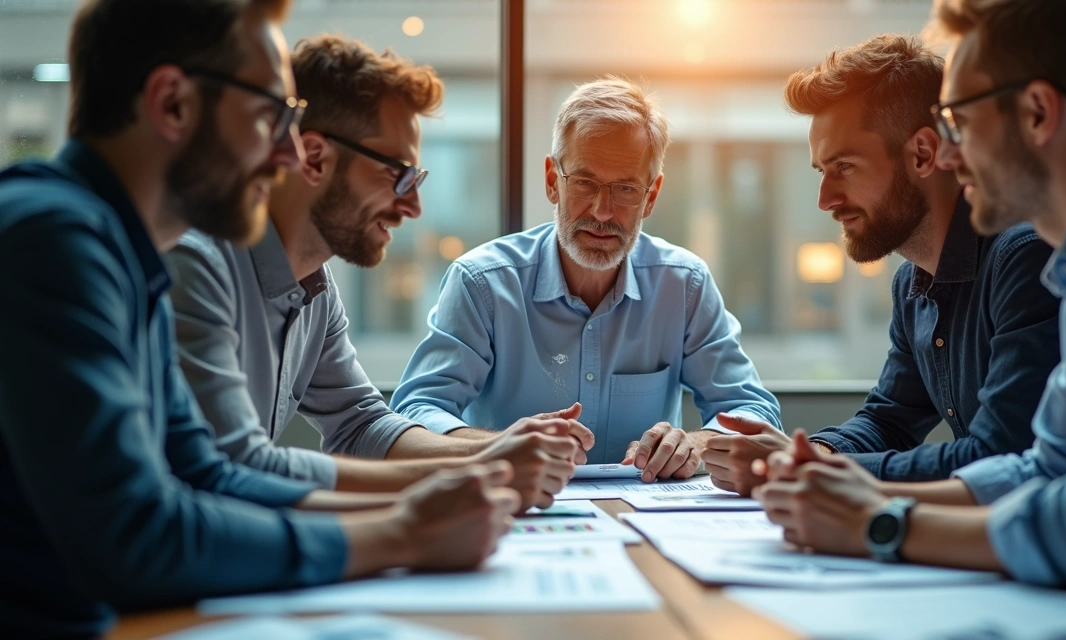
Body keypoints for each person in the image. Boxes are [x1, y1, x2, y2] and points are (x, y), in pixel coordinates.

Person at [0, 2, 517, 636]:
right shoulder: (52, 239)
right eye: (272, 116)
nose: (285, 156)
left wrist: (427, 505)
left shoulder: (127, 256)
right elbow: (138, 535)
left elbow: (207, 473)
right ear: (172, 104)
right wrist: (403, 533)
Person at [755, 0, 1066, 607]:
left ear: (1036, 112)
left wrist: (881, 524)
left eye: (958, 122)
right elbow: (1044, 469)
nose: (946, 155)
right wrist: (852, 491)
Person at [167, 35, 584, 510]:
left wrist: (501, 446)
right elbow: (237, 465)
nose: (413, 206)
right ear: (315, 157)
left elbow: (361, 424)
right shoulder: (197, 266)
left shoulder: (316, 290)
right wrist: (478, 469)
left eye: (418, 179)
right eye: (397, 173)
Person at [703, 34, 1060, 496]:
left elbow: (999, 457)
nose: (825, 200)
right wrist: (808, 456)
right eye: (820, 171)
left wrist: (816, 473)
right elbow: (889, 419)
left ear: (924, 154)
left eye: (845, 166)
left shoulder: (1025, 260)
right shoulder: (912, 282)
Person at [390, 77, 782, 482]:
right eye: (584, 182)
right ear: (551, 181)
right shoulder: (482, 284)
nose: (602, 211)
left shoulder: (684, 284)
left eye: (626, 188)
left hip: (647, 518)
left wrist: (696, 444)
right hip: (512, 509)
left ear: (651, 197)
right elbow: (416, 412)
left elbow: (753, 412)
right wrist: (501, 446)